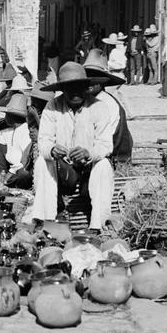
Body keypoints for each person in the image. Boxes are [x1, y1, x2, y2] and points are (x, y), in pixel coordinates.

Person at [33, 62, 114, 233]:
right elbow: (44, 141)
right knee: (42, 161)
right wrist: (53, 150)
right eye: (70, 88)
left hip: (88, 171)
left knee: (104, 165)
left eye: (79, 87)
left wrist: (88, 153)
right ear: (62, 89)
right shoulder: (53, 107)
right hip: (64, 172)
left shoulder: (99, 107)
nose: (75, 92)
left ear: (86, 87)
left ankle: (98, 223)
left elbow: (106, 145)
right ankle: (46, 218)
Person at [83, 49, 132, 166]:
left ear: (102, 82)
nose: (90, 82)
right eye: (87, 77)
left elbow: (105, 140)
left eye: (95, 79)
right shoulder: (86, 99)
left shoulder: (107, 103)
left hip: (113, 156)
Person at [0, 93, 32, 177]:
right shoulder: (11, 130)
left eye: (6, 115)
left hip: (20, 168)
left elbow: (25, 160)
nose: (5, 117)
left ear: (12, 116)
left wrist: (11, 172)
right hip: (11, 166)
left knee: (23, 174)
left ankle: (6, 179)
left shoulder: (26, 131)